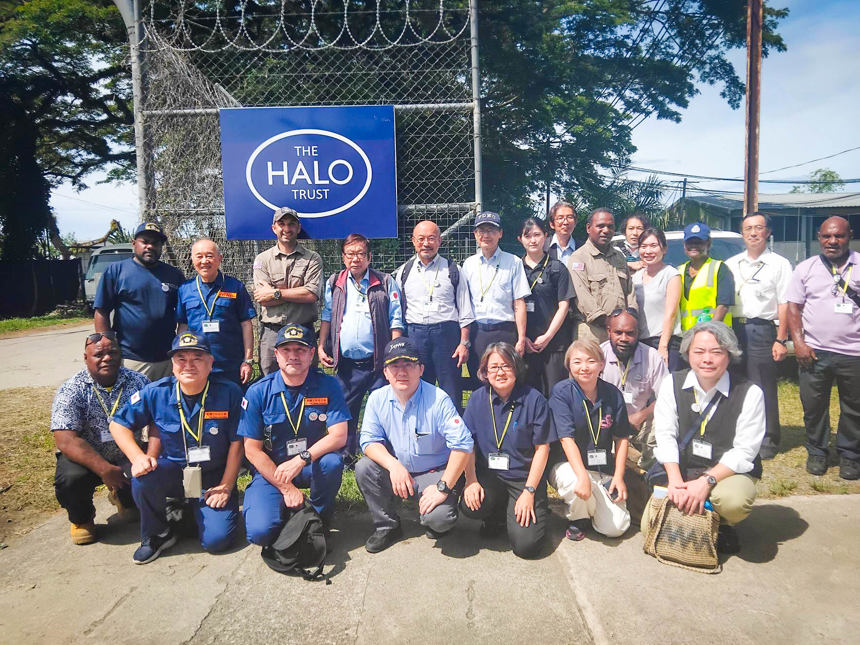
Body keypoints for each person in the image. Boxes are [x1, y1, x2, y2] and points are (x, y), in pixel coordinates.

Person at [110, 332, 244, 564]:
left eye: (197, 358)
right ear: (172, 364)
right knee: (143, 476)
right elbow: (117, 424)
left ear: (211, 363)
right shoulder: (156, 392)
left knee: (217, 541)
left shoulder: (229, 392)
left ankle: (188, 514)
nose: (188, 365)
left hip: (214, 477)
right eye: (181, 358)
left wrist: (226, 485)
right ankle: (157, 534)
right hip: (174, 472)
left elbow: (237, 444)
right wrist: (137, 457)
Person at [645, 321, 765, 554]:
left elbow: (745, 451)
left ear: (729, 355)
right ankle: (700, 516)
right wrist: (675, 481)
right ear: (688, 354)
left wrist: (705, 482)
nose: (707, 359)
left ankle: (723, 523)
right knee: (646, 524)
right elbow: (665, 434)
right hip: (682, 468)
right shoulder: (672, 383)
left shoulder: (750, 393)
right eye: (698, 351)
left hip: (725, 474)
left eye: (716, 352)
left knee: (733, 502)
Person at [355, 338, 473, 553]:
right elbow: (368, 441)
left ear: (421, 369)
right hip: (399, 472)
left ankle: (433, 518)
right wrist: (394, 466)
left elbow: (463, 444)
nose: (402, 372)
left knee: (440, 519)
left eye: (408, 364)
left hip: (434, 472)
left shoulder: (439, 399)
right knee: (364, 468)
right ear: (386, 372)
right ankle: (387, 525)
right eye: (395, 366)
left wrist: (443, 487)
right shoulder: (376, 398)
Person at [239, 324, 350, 545]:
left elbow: (339, 436)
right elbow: (252, 450)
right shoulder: (258, 391)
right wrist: (286, 487)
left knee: (332, 462)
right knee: (260, 534)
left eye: (300, 350)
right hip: (272, 470)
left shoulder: (328, 385)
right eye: (286, 350)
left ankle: (317, 517)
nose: (293, 356)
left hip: (310, 464)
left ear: (311, 354)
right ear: (276, 355)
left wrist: (302, 459)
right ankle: (289, 509)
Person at [51, 331, 151, 544]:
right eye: (99, 354)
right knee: (70, 479)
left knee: (136, 510)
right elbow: (65, 439)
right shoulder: (71, 390)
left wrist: (146, 457)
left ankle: (125, 498)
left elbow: (156, 421)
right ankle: (82, 519)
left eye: (112, 352)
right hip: (89, 458)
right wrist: (104, 469)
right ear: (86, 358)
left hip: (128, 454)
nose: (107, 358)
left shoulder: (139, 382)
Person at [461, 343, 552, 558]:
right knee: (470, 506)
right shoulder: (476, 399)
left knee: (526, 547)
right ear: (485, 372)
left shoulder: (534, 399)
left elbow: (542, 448)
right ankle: (496, 515)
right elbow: (466, 444)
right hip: (490, 475)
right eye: (493, 367)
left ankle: (536, 510)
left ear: (516, 368)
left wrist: (529, 491)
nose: (500, 372)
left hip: (523, 479)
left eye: (506, 366)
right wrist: (471, 480)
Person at [786, 216, 860, 480]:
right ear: (819, 237)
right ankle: (817, 451)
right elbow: (793, 306)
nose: (832, 241)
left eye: (838, 236)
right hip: (814, 351)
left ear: (848, 235)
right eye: (827, 236)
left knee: (854, 407)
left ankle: (850, 455)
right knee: (814, 406)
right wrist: (799, 343)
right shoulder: (805, 268)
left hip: (854, 353)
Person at [318, 233, 404, 460]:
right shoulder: (333, 282)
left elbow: (396, 318)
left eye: (360, 254)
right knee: (346, 409)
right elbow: (327, 316)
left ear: (369, 257)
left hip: (378, 362)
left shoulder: (385, 281)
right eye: (350, 254)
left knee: (382, 409)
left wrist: (394, 355)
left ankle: (381, 454)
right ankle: (345, 454)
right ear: (343, 258)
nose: (355, 259)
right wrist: (321, 345)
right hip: (347, 364)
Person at [548, 339, 633, 541]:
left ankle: (590, 506)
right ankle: (579, 518)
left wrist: (619, 477)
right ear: (569, 366)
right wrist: (583, 477)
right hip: (567, 466)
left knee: (616, 528)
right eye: (577, 362)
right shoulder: (562, 392)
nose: (584, 367)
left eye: (591, 361)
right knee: (576, 482)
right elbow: (566, 439)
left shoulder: (613, 394)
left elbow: (621, 439)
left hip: (602, 468)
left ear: (601, 365)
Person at [726, 213, 793, 459]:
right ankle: (738, 435)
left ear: (768, 232)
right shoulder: (732, 263)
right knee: (735, 383)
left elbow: (785, 303)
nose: (753, 233)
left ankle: (768, 438)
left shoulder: (780, 264)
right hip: (733, 330)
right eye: (748, 229)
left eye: (758, 228)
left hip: (762, 330)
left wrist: (781, 338)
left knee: (762, 385)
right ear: (742, 234)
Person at [394, 220, 474, 408]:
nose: (426, 244)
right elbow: (397, 311)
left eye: (431, 238)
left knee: (451, 389)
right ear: (413, 241)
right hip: (415, 335)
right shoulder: (404, 272)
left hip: (447, 336)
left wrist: (464, 343)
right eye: (421, 239)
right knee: (419, 388)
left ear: (439, 241)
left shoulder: (454, 269)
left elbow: (465, 311)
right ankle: (422, 433)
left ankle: (453, 435)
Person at [93, 222, 185, 379]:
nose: (150, 246)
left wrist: (179, 350)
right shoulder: (116, 271)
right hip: (130, 359)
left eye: (155, 243)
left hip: (167, 359)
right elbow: (101, 310)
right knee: (134, 403)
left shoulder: (174, 275)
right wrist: (107, 347)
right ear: (134, 243)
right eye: (145, 241)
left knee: (166, 402)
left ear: (162, 246)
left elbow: (183, 317)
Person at [461, 211, 531, 382]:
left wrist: (521, 338)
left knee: (507, 379)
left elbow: (519, 303)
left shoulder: (513, 262)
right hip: (478, 333)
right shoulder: (468, 264)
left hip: (505, 331)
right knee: (480, 380)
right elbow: (464, 304)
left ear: (500, 233)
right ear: (475, 234)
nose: (486, 235)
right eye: (482, 230)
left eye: (491, 230)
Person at [252, 206, 324, 375]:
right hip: (272, 332)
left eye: (291, 224)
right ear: (274, 228)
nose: (287, 229)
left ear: (298, 228)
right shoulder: (262, 259)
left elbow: (311, 294)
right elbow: (263, 298)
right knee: (269, 378)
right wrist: (297, 293)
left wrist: (276, 293)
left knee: (307, 379)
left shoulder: (312, 258)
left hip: (303, 329)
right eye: (281, 223)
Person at [177, 239, 257, 386]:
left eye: (209, 255)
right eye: (199, 256)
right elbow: (183, 326)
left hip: (230, 365)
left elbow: (246, 324)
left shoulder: (235, 287)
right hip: (196, 365)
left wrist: (248, 360)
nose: (204, 261)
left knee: (231, 405)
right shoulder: (185, 290)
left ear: (219, 258)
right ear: (192, 259)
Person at [600, 309, 668, 470]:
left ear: (638, 333)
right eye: (618, 333)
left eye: (630, 333)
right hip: (607, 422)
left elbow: (667, 398)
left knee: (664, 423)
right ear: (609, 332)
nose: (624, 338)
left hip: (640, 421)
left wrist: (641, 415)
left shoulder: (652, 357)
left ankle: (650, 472)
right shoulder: (598, 355)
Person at [518, 217, 576, 396]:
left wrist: (548, 336)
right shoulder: (515, 268)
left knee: (555, 392)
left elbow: (564, 304)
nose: (533, 240)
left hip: (554, 344)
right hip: (524, 344)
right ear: (520, 239)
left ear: (546, 236)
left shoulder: (557, 268)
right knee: (528, 394)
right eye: (527, 236)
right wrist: (523, 337)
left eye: (537, 235)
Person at [567, 208, 637, 344]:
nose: (605, 230)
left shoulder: (619, 257)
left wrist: (630, 317)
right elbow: (583, 298)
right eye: (600, 226)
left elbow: (630, 292)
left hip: (620, 332)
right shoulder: (579, 258)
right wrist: (610, 322)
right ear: (588, 228)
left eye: (610, 227)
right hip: (591, 332)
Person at [633, 227, 682, 370]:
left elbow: (671, 313)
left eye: (653, 246)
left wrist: (663, 347)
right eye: (643, 246)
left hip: (664, 343)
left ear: (664, 249)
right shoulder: (636, 277)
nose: (648, 251)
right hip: (640, 344)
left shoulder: (671, 275)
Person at [678, 222, 735, 332]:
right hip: (685, 338)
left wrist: (709, 333)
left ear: (708, 244)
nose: (693, 246)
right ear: (684, 245)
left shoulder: (720, 268)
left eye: (698, 242)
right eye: (690, 242)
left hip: (715, 336)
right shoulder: (678, 271)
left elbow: (723, 306)